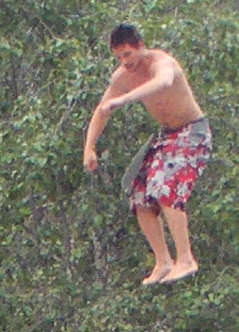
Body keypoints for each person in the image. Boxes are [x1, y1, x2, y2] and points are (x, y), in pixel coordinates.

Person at [81, 24, 211, 288]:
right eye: (119, 57)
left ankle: (185, 258)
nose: (124, 62)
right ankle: (163, 261)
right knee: (139, 194)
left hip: (193, 132)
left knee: (165, 185)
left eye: (128, 54)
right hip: (168, 136)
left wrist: (126, 99)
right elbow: (102, 109)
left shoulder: (163, 64)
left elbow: (162, 83)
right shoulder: (122, 77)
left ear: (140, 45)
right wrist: (89, 147)